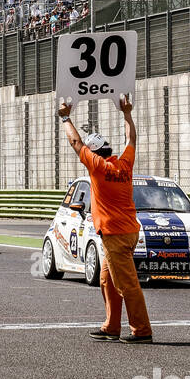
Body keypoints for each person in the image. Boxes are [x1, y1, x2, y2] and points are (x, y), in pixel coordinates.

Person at [58, 94, 152, 343]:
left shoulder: (98, 167)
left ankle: (141, 330)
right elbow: (131, 138)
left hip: (115, 235)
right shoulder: (124, 165)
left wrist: (66, 117)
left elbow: (76, 143)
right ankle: (111, 326)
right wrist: (127, 113)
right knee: (107, 281)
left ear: (95, 152)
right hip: (128, 232)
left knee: (126, 284)